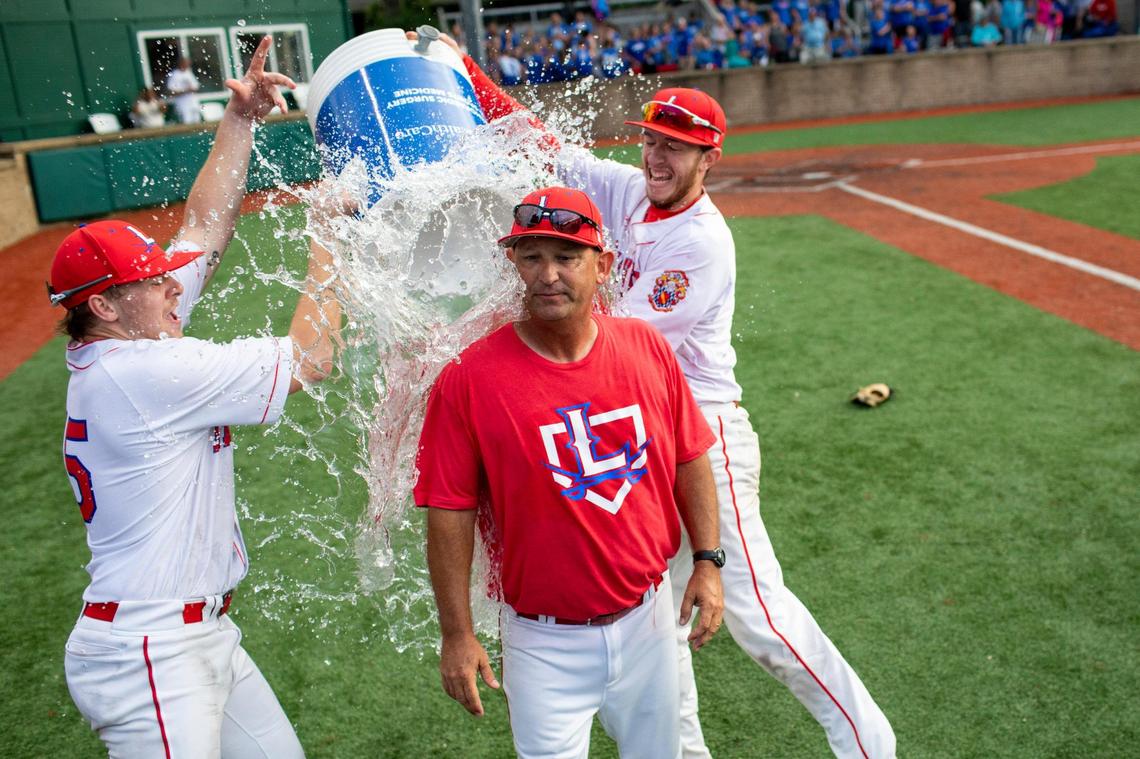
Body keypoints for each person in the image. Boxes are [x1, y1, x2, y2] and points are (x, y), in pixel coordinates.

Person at [423, 29, 898, 759]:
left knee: (758, 616)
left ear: (710, 158)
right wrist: (464, 69)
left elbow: (602, 337)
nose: (657, 156)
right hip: (635, 435)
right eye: (651, 139)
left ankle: (867, 740)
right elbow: (547, 145)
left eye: (677, 146)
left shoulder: (700, 242)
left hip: (702, 435)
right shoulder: (630, 190)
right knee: (660, 624)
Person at [52, 36, 341, 758]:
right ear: (109, 307)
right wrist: (333, 236)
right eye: (150, 279)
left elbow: (206, 228)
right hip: (149, 651)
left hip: (195, 634)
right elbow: (312, 357)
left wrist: (238, 120)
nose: (170, 281)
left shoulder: (123, 343)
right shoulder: (144, 375)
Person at [415, 185, 725, 758]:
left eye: (566, 257)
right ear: (513, 264)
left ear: (602, 266)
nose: (547, 274)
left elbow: (689, 454)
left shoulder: (645, 348)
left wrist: (707, 560)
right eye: (531, 256)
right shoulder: (467, 379)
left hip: (648, 621)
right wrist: (457, 634)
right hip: (542, 640)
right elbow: (448, 510)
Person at [165, 56, 202, 124]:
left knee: (196, 119)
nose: (187, 65)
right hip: (182, 103)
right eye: (186, 63)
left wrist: (192, 89)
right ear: (181, 63)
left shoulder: (189, 73)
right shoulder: (175, 75)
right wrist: (185, 91)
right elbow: (171, 91)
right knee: (186, 121)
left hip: (193, 101)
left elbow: (196, 87)